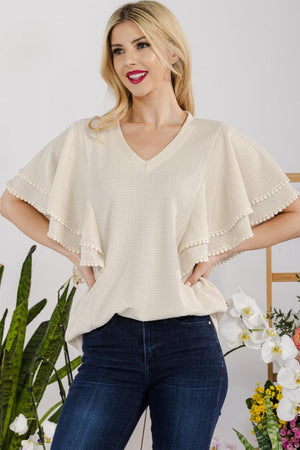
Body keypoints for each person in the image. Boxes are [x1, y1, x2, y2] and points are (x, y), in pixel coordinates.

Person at [1, 1, 300, 449]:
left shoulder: (213, 139)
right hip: (110, 343)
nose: (130, 61)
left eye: (142, 45)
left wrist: (220, 250)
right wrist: (76, 251)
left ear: (173, 53)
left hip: (189, 345)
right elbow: (12, 201)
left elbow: (292, 214)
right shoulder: (89, 138)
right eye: (118, 50)